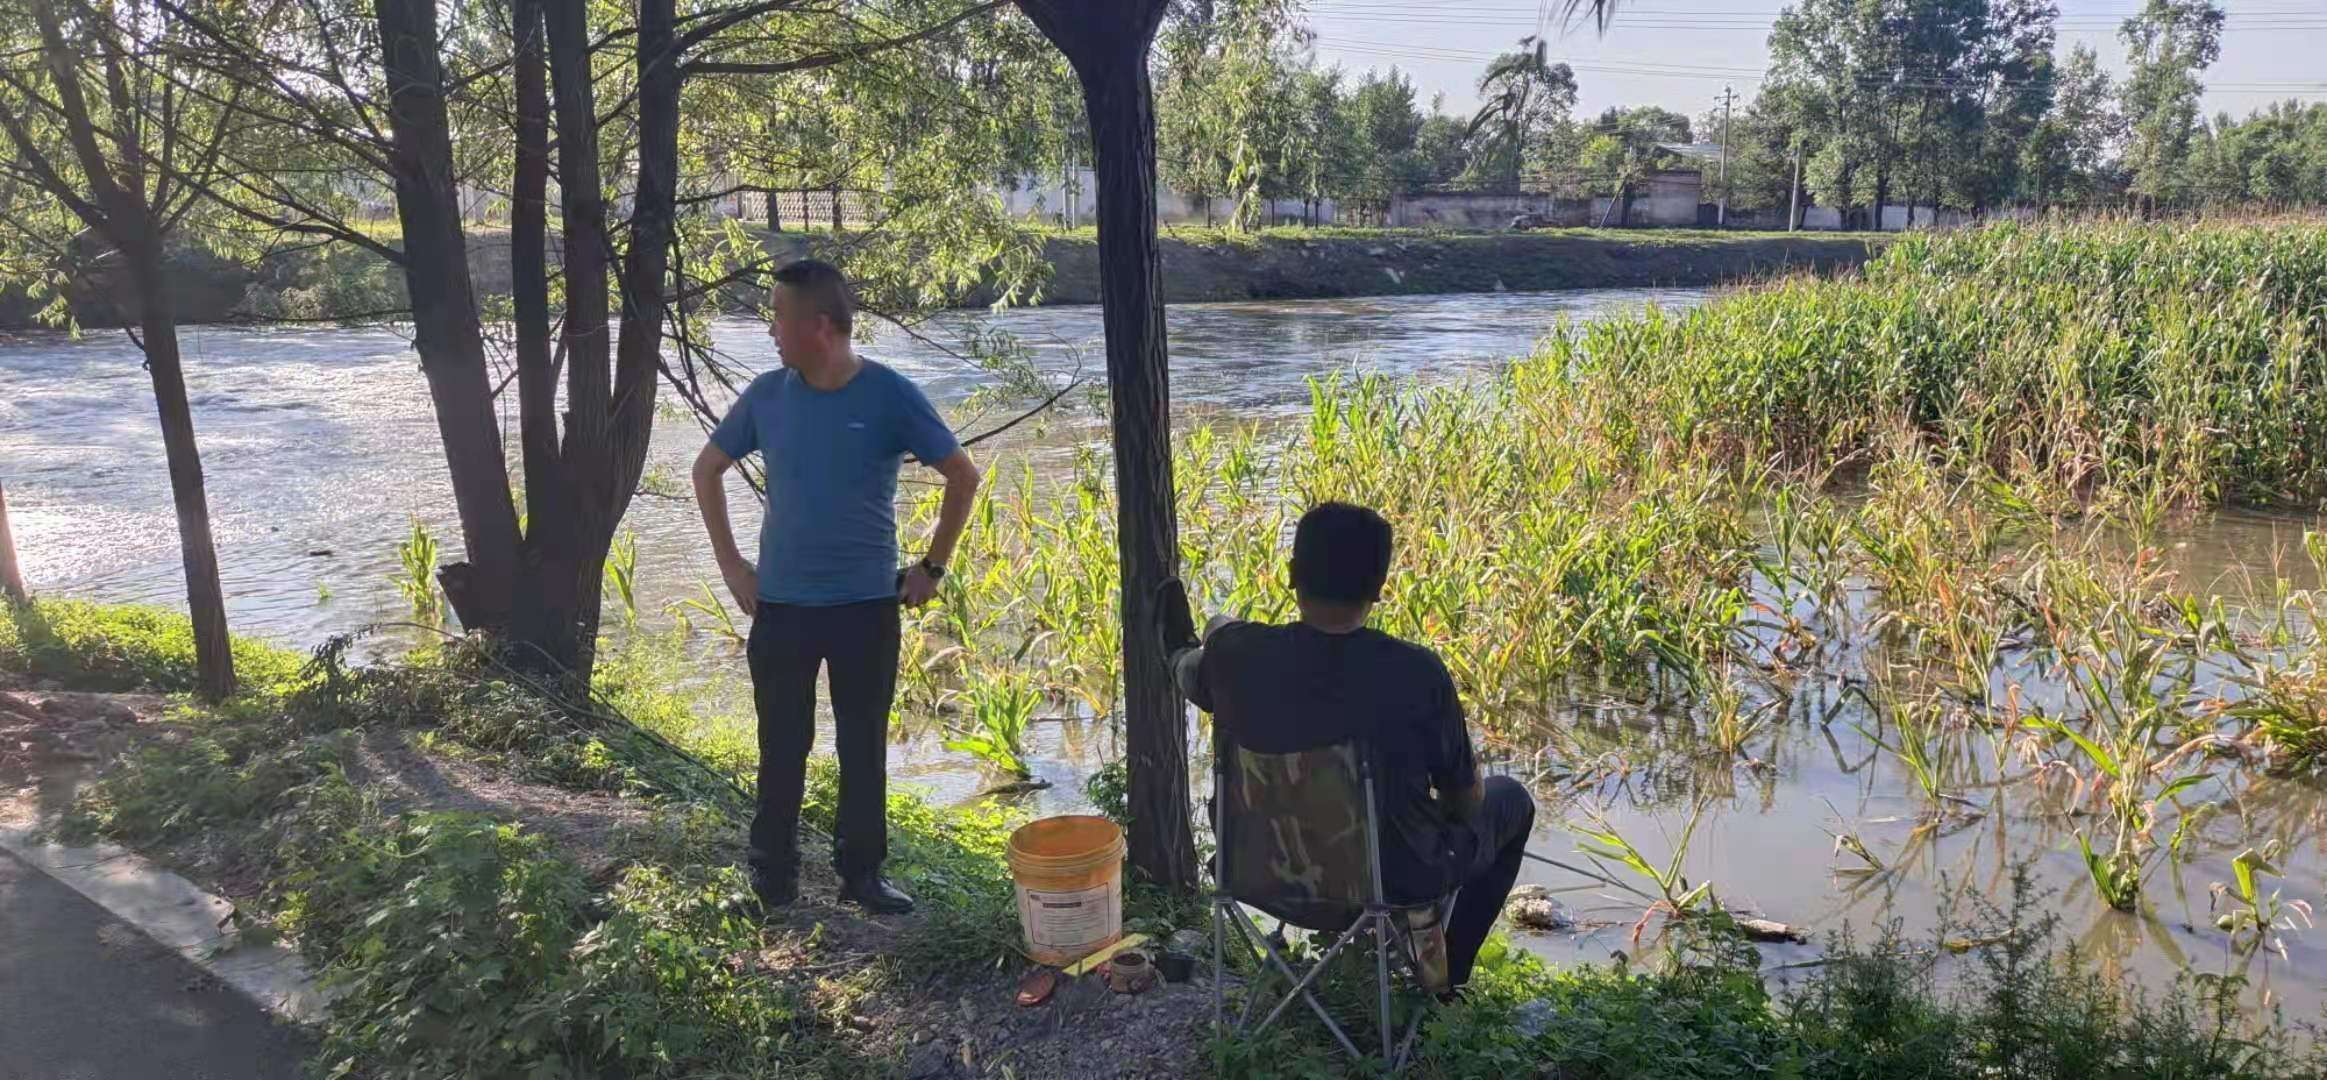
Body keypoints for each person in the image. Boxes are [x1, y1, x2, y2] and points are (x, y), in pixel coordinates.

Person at [693, 259, 981, 915]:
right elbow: (706, 469)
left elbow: (963, 476)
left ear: (819, 326)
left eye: (778, 317)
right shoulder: (767, 395)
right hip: (782, 607)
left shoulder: (890, 395)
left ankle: (862, 876)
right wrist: (732, 565)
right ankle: (772, 878)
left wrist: (932, 567)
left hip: (864, 608)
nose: (770, 330)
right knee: (781, 744)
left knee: (862, 746)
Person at [1161, 502, 1535, 990]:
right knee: (1512, 801)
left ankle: (1180, 651)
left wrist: (1207, 636)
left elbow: (1201, 656)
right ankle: (1446, 981)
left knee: (1201, 660)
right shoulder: (1416, 673)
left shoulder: (1237, 656)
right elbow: (1466, 803)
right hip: (1386, 886)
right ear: (1378, 587)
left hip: (1258, 873)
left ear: (1291, 575)